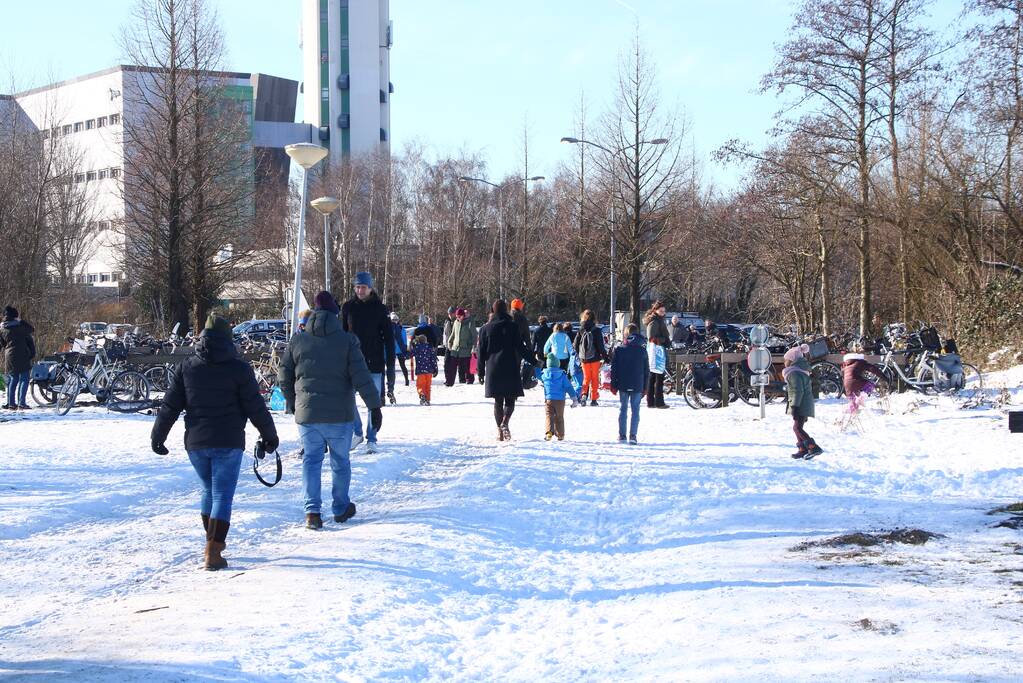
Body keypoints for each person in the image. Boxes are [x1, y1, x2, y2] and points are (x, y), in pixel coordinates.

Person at [151, 315, 279, 570]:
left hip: (196, 443)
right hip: (228, 440)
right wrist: (269, 436)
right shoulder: (239, 369)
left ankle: (211, 542)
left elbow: (170, 406)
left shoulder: (187, 367)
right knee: (222, 495)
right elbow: (255, 407)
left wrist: (158, 436)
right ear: (228, 339)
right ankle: (213, 549)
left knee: (208, 491)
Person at [278, 300, 383, 530]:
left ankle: (312, 512)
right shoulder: (347, 341)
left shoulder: (297, 340)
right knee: (340, 461)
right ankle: (340, 507)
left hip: (308, 416)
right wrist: (374, 407)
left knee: (311, 461)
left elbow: (283, 376)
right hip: (339, 415)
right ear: (336, 314)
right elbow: (361, 377)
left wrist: (295, 404)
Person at [340, 275, 394, 454]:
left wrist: (391, 363)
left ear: (370, 288)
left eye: (363, 287)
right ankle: (357, 431)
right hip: (351, 363)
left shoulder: (380, 309)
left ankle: (372, 438)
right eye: (357, 287)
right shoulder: (348, 308)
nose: (360, 290)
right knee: (346, 399)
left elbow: (388, 338)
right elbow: (340, 335)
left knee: (374, 402)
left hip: (374, 363)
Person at [478, 299, 532, 441]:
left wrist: (480, 372)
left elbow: (481, 352)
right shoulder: (513, 327)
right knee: (510, 399)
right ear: (506, 310)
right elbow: (522, 347)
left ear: (493, 310)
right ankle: (505, 423)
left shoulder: (485, 329)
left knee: (498, 401)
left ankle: (500, 432)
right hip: (510, 366)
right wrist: (534, 361)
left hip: (493, 368)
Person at [610, 323, 649, 444]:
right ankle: (633, 435)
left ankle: (622, 435)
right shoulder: (642, 350)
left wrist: (613, 384)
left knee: (623, 409)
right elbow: (646, 370)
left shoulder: (620, 349)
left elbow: (614, 369)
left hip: (623, 383)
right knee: (635, 410)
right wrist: (645, 387)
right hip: (637, 383)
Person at [784, 344, 823, 459]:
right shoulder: (800, 371)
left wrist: (795, 406)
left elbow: (797, 391)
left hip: (800, 404)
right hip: (804, 404)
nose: (785, 362)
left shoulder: (794, 373)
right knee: (797, 427)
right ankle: (802, 448)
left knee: (797, 428)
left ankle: (813, 447)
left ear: (792, 360)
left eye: (786, 360)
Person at [1, 306, 35, 410]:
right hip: (22, 354)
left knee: (12, 379)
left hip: (9, 355)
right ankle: (22, 403)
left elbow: (2, 343)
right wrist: (21, 320)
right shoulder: (20, 326)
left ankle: (11, 404)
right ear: (15, 316)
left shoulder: (2, 328)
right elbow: (31, 329)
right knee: (24, 379)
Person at [541, 353, 580, 441]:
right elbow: (569, 387)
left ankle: (549, 433)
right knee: (559, 417)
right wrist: (574, 398)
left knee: (549, 416)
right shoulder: (562, 376)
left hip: (548, 400)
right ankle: (560, 435)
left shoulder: (544, 375)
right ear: (557, 364)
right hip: (560, 400)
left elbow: (539, 378)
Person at [573, 309, 608, 406]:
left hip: (584, 358)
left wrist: (580, 354)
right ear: (594, 318)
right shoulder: (596, 330)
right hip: (595, 358)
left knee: (586, 378)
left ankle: (584, 395)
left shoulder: (580, 329)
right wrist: (605, 357)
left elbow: (575, 344)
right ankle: (593, 399)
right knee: (594, 378)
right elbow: (600, 346)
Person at [842, 348, 885, 415]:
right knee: (871, 387)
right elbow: (872, 369)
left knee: (852, 401)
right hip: (856, 381)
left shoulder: (847, 363)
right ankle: (864, 398)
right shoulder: (860, 362)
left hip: (847, 385)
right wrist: (882, 376)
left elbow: (843, 374)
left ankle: (852, 411)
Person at [446, 307, 476, 385]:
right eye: (457, 316)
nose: (458, 318)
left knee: (466, 367)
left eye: (459, 316)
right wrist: (449, 342)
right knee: (452, 367)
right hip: (455, 349)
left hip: (466, 350)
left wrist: (474, 347)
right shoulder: (456, 322)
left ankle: (470, 380)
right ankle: (449, 382)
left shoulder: (470, 323)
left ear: (463, 315)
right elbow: (453, 334)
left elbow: (474, 336)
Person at [386, 312, 409, 404]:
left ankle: (406, 380)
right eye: (393, 320)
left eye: (396, 320)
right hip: (396, 350)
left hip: (393, 351)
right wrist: (405, 351)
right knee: (394, 368)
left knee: (396, 367)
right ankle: (391, 388)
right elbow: (402, 340)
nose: (395, 321)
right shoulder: (399, 328)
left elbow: (404, 339)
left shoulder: (400, 329)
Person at [410, 334, 438, 405]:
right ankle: (427, 399)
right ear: (426, 341)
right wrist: (435, 369)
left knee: (420, 385)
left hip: (420, 371)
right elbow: (433, 360)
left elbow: (409, 354)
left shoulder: (417, 348)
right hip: (429, 371)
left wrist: (411, 346)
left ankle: (421, 393)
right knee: (428, 386)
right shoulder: (429, 348)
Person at [647, 333, 668, 408]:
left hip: (652, 352)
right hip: (657, 352)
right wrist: (664, 339)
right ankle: (659, 402)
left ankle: (650, 402)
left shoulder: (651, 324)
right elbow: (653, 337)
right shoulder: (656, 323)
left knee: (652, 379)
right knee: (658, 379)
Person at [442, 306, 457, 386]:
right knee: (446, 364)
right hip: (447, 346)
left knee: (452, 365)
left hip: (454, 346)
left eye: (451, 313)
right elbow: (445, 334)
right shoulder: (447, 321)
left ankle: (451, 381)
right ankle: (448, 379)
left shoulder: (456, 322)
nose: (450, 315)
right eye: (449, 313)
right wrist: (444, 343)